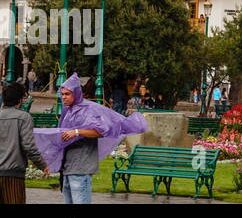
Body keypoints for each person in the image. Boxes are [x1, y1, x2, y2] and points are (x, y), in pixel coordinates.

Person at [34, 73, 148, 205]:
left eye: (67, 94)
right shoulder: (68, 111)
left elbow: (101, 131)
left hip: (81, 166)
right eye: (62, 94)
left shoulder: (88, 110)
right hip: (68, 167)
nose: (63, 97)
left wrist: (77, 132)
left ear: (76, 94)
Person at [1, 82, 49, 204]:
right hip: (13, 173)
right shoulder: (24, 117)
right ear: (20, 100)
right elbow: (29, 146)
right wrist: (42, 165)